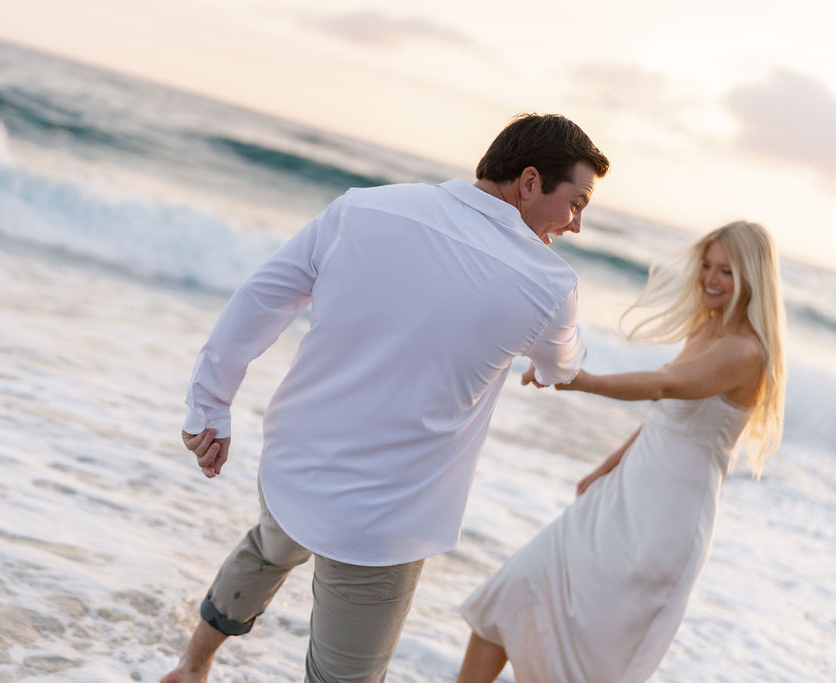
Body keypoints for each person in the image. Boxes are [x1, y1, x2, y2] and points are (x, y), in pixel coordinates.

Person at [162, 113, 610, 683]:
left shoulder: (366, 207)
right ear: (529, 182)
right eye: (576, 204)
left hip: (294, 463)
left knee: (267, 550)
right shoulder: (548, 284)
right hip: (384, 517)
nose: (576, 225)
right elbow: (561, 363)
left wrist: (209, 407)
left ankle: (191, 667)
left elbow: (263, 297)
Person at [457, 220, 787, 683]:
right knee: (510, 595)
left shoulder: (747, 352)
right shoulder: (707, 330)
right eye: (707, 266)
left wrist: (579, 379)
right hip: (621, 497)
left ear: (753, 278)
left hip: (664, 526)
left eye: (727, 271)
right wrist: (605, 469)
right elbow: (668, 416)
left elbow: (664, 385)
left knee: (585, 660)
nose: (711, 279)